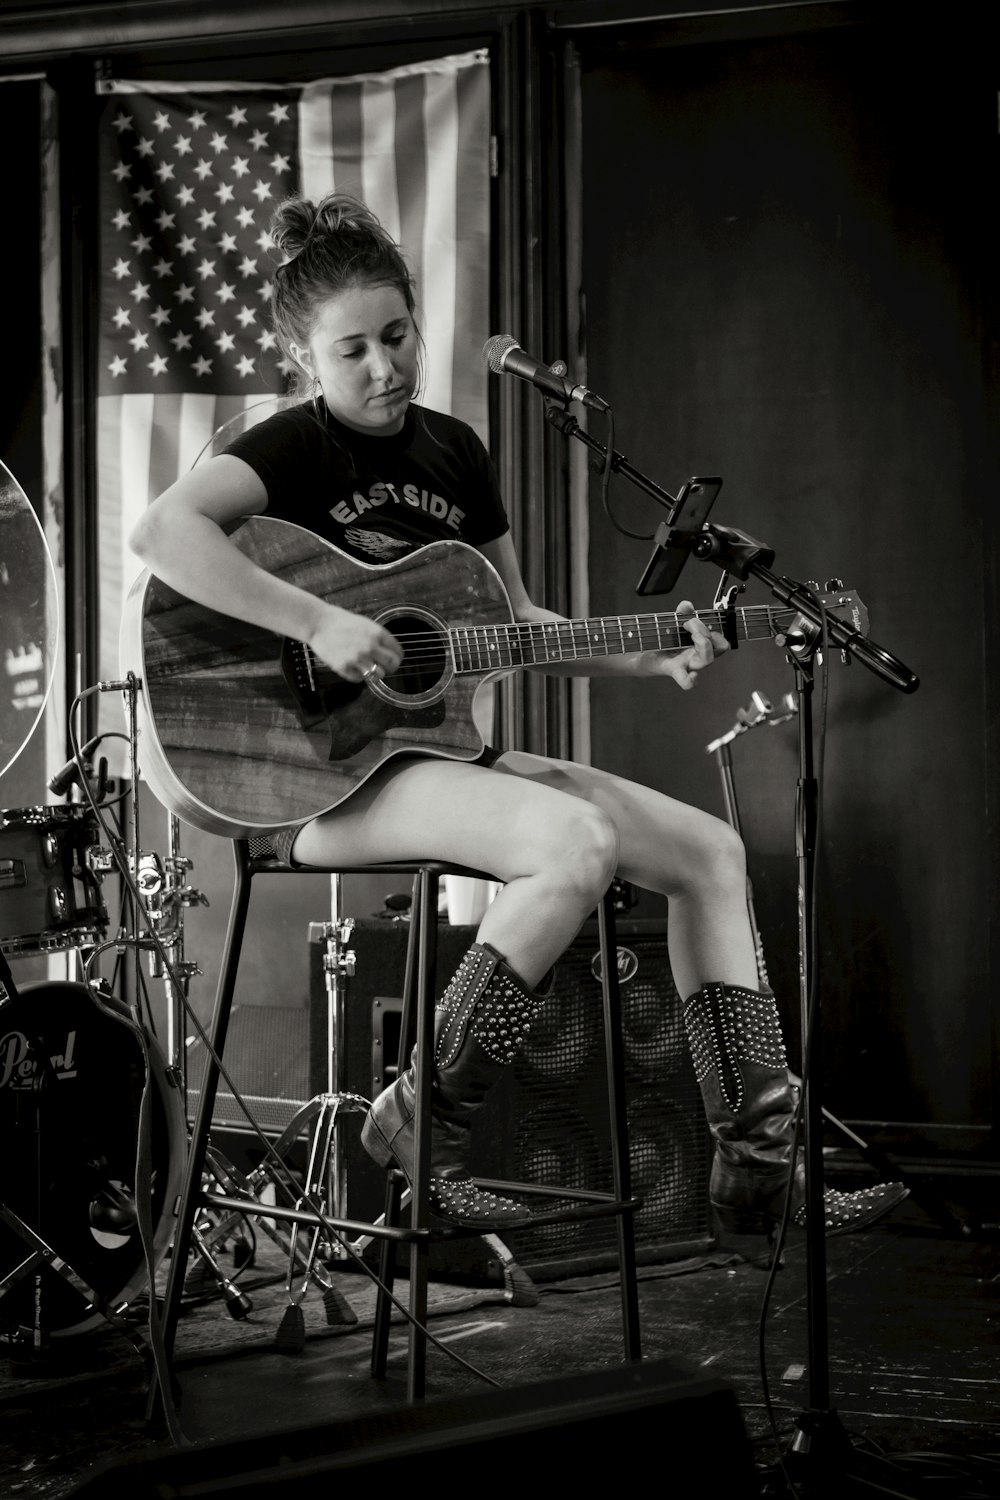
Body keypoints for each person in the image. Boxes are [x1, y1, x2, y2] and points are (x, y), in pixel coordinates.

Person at [129, 193, 906, 1241]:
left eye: (396, 336)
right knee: (571, 844)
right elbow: (162, 533)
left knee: (710, 851)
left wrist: (650, 655)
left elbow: (517, 621)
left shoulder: (453, 450)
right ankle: (420, 1121)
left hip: (431, 753)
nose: (382, 367)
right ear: (303, 356)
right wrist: (314, 623)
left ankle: (759, 1172)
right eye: (351, 349)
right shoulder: (289, 449)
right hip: (308, 782)